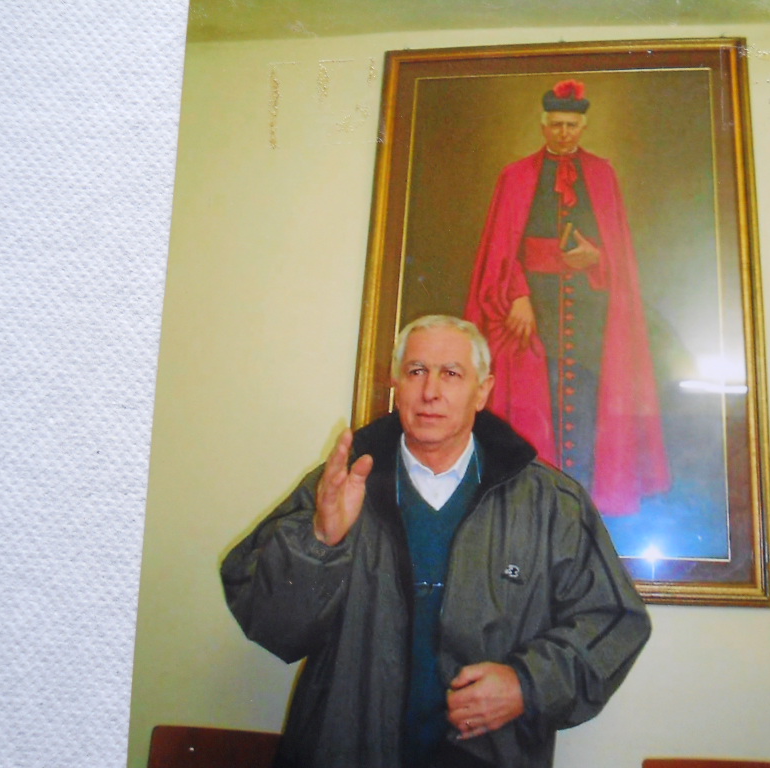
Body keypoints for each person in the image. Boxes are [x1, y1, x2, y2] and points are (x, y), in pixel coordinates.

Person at [221, 315, 651, 768]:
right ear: (397, 384)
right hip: (344, 750)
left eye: (451, 374)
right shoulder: (339, 485)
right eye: (417, 371)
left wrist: (527, 684)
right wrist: (320, 542)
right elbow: (271, 625)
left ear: (482, 391)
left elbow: (614, 621)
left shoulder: (552, 503)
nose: (431, 391)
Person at [464, 79, 670, 516]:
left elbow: (619, 253)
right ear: (543, 125)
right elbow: (501, 249)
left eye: (571, 125)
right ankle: (536, 501)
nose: (563, 133)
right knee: (539, 404)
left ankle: (585, 502)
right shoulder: (516, 175)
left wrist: (597, 258)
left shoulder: (603, 173)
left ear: (583, 126)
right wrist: (518, 296)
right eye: (556, 124)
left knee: (590, 401)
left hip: (592, 314)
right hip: (534, 310)